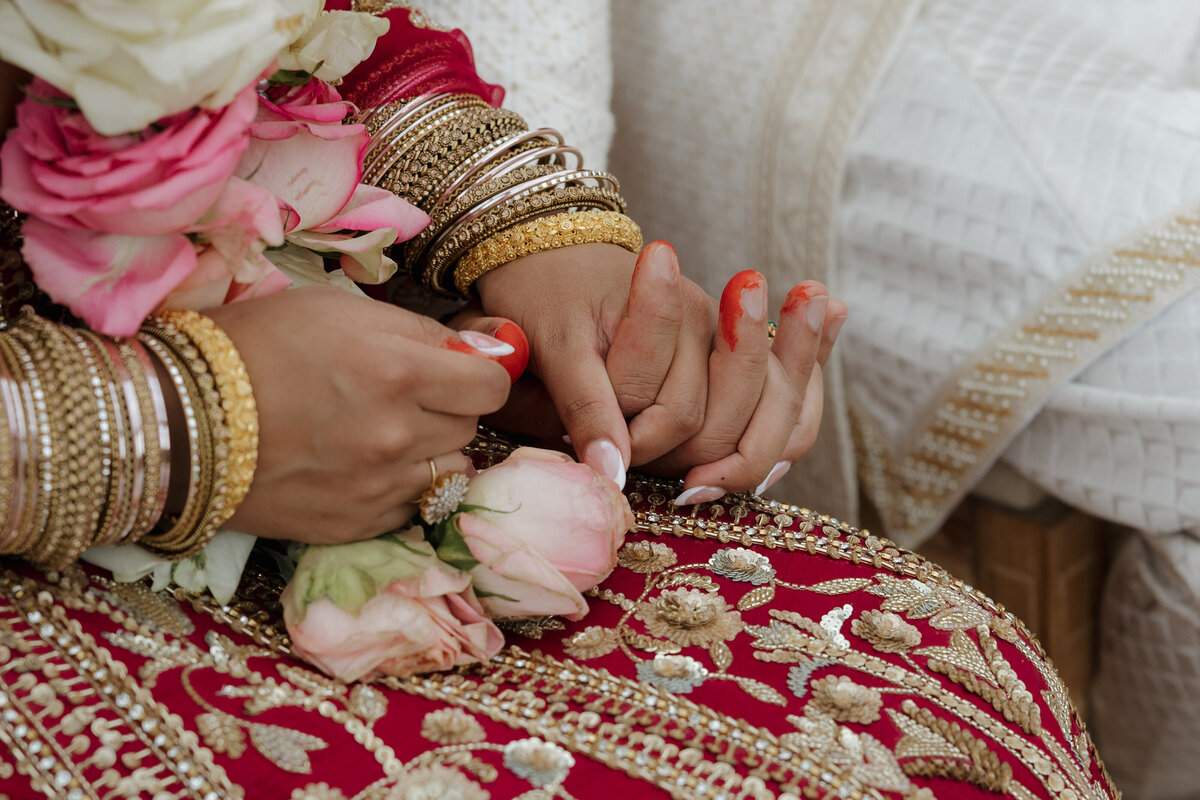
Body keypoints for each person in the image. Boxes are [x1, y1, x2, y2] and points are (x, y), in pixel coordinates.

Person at [0, 2, 1118, 798]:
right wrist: (155, 426)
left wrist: (529, 226)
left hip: (284, 359)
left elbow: (305, 40)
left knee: (934, 669)